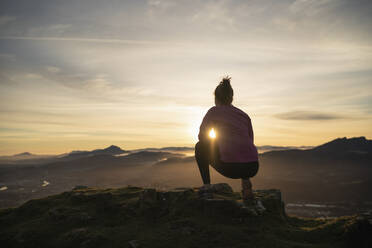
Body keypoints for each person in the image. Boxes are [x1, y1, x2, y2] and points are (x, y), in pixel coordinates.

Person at [195, 76, 259, 203]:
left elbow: (202, 137)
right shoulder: (244, 115)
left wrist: (216, 143)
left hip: (231, 167)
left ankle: (207, 188)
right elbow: (250, 140)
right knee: (242, 150)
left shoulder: (213, 112)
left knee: (200, 147)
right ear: (231, 98)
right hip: (252, 166)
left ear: (216, 98)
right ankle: (246, 186)